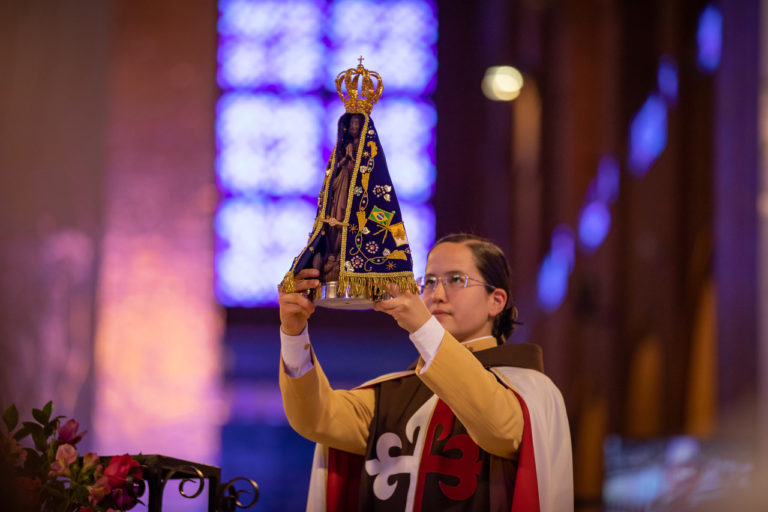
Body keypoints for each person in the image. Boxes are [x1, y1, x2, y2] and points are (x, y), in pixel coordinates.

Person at [279, 234, 573, 511]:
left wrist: (422, 326)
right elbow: (317, 418)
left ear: (496, 301)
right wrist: (293, 332)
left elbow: (496, 427)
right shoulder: (395, 394)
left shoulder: (527, 391)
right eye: (430, 281)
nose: (437, 295)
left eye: (456, 279)